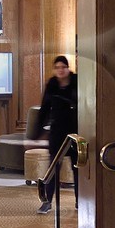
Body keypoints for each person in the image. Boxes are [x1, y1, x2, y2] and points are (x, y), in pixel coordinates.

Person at [37, 54, 79, 214]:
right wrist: (38, 132)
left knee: (78, 167)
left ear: (68, 68)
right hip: (57, 132)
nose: (61, 70)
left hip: (76, 131)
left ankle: (79, 201)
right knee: (53, 168)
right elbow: (44, 108)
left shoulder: (77, 82)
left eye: (63, 67)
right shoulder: (52, 85)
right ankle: (47, 202)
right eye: (57, 67)